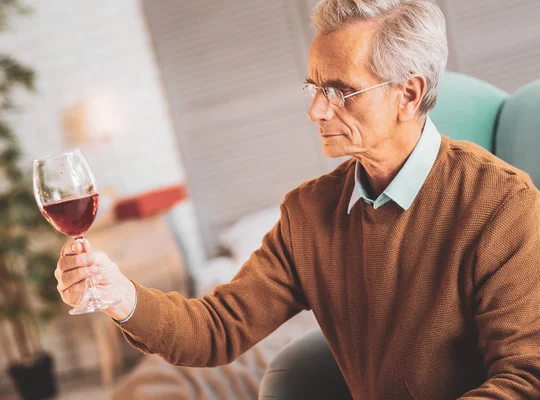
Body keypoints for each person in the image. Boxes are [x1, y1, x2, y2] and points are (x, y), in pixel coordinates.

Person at [54, 0, 540, 398]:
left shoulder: (501, 206)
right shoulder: (308, 216)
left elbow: (523, 379)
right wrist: (121, 297)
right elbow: (217, 329)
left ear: (408, 95)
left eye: (340, 90)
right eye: (314, 87)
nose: (315, 110)